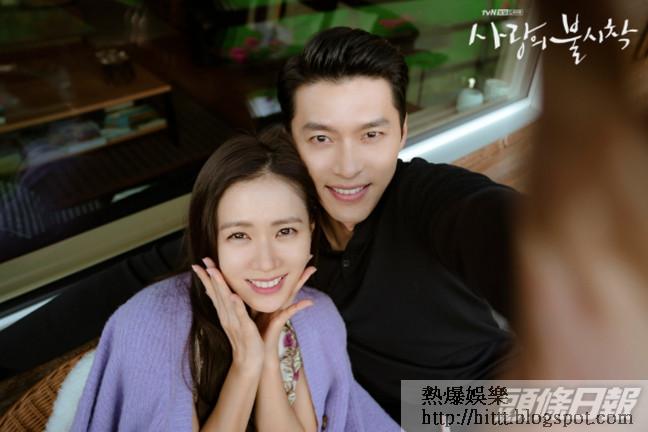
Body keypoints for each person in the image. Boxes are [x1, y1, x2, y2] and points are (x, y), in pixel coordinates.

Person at [71, 127, 399, 431]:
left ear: (310, 229)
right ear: (210, 238)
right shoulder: (152, 325)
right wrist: (246, 364)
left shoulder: (316, 318)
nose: (266, 262)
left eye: (285, 231)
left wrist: (269, 358)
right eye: (239, 235)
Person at [276, 27, 518, 420]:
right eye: (321, 139)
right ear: (291, 139)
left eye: (371, 134)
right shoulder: (280, 227)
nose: (348, 167)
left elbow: (505, 231)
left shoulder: (427, 199)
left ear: (402, 132)